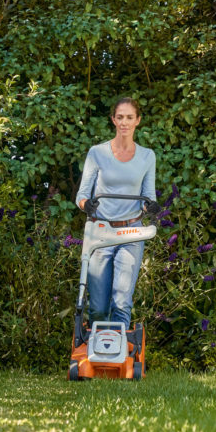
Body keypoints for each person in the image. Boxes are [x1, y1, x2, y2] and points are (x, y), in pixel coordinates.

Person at [75, 97, 157, 328]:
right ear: (113, 120)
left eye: (129, 117)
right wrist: (86, 205)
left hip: (131, 233)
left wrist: (149, 206)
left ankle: (120, 359)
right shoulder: (97, 153)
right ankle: (96, 354)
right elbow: (81, 195)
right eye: (120, 117)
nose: (124, 122)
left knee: (121, 301)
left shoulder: (147, 156)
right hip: (101, 232)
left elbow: (148, 195)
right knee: (99, 307)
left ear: (137, 121)